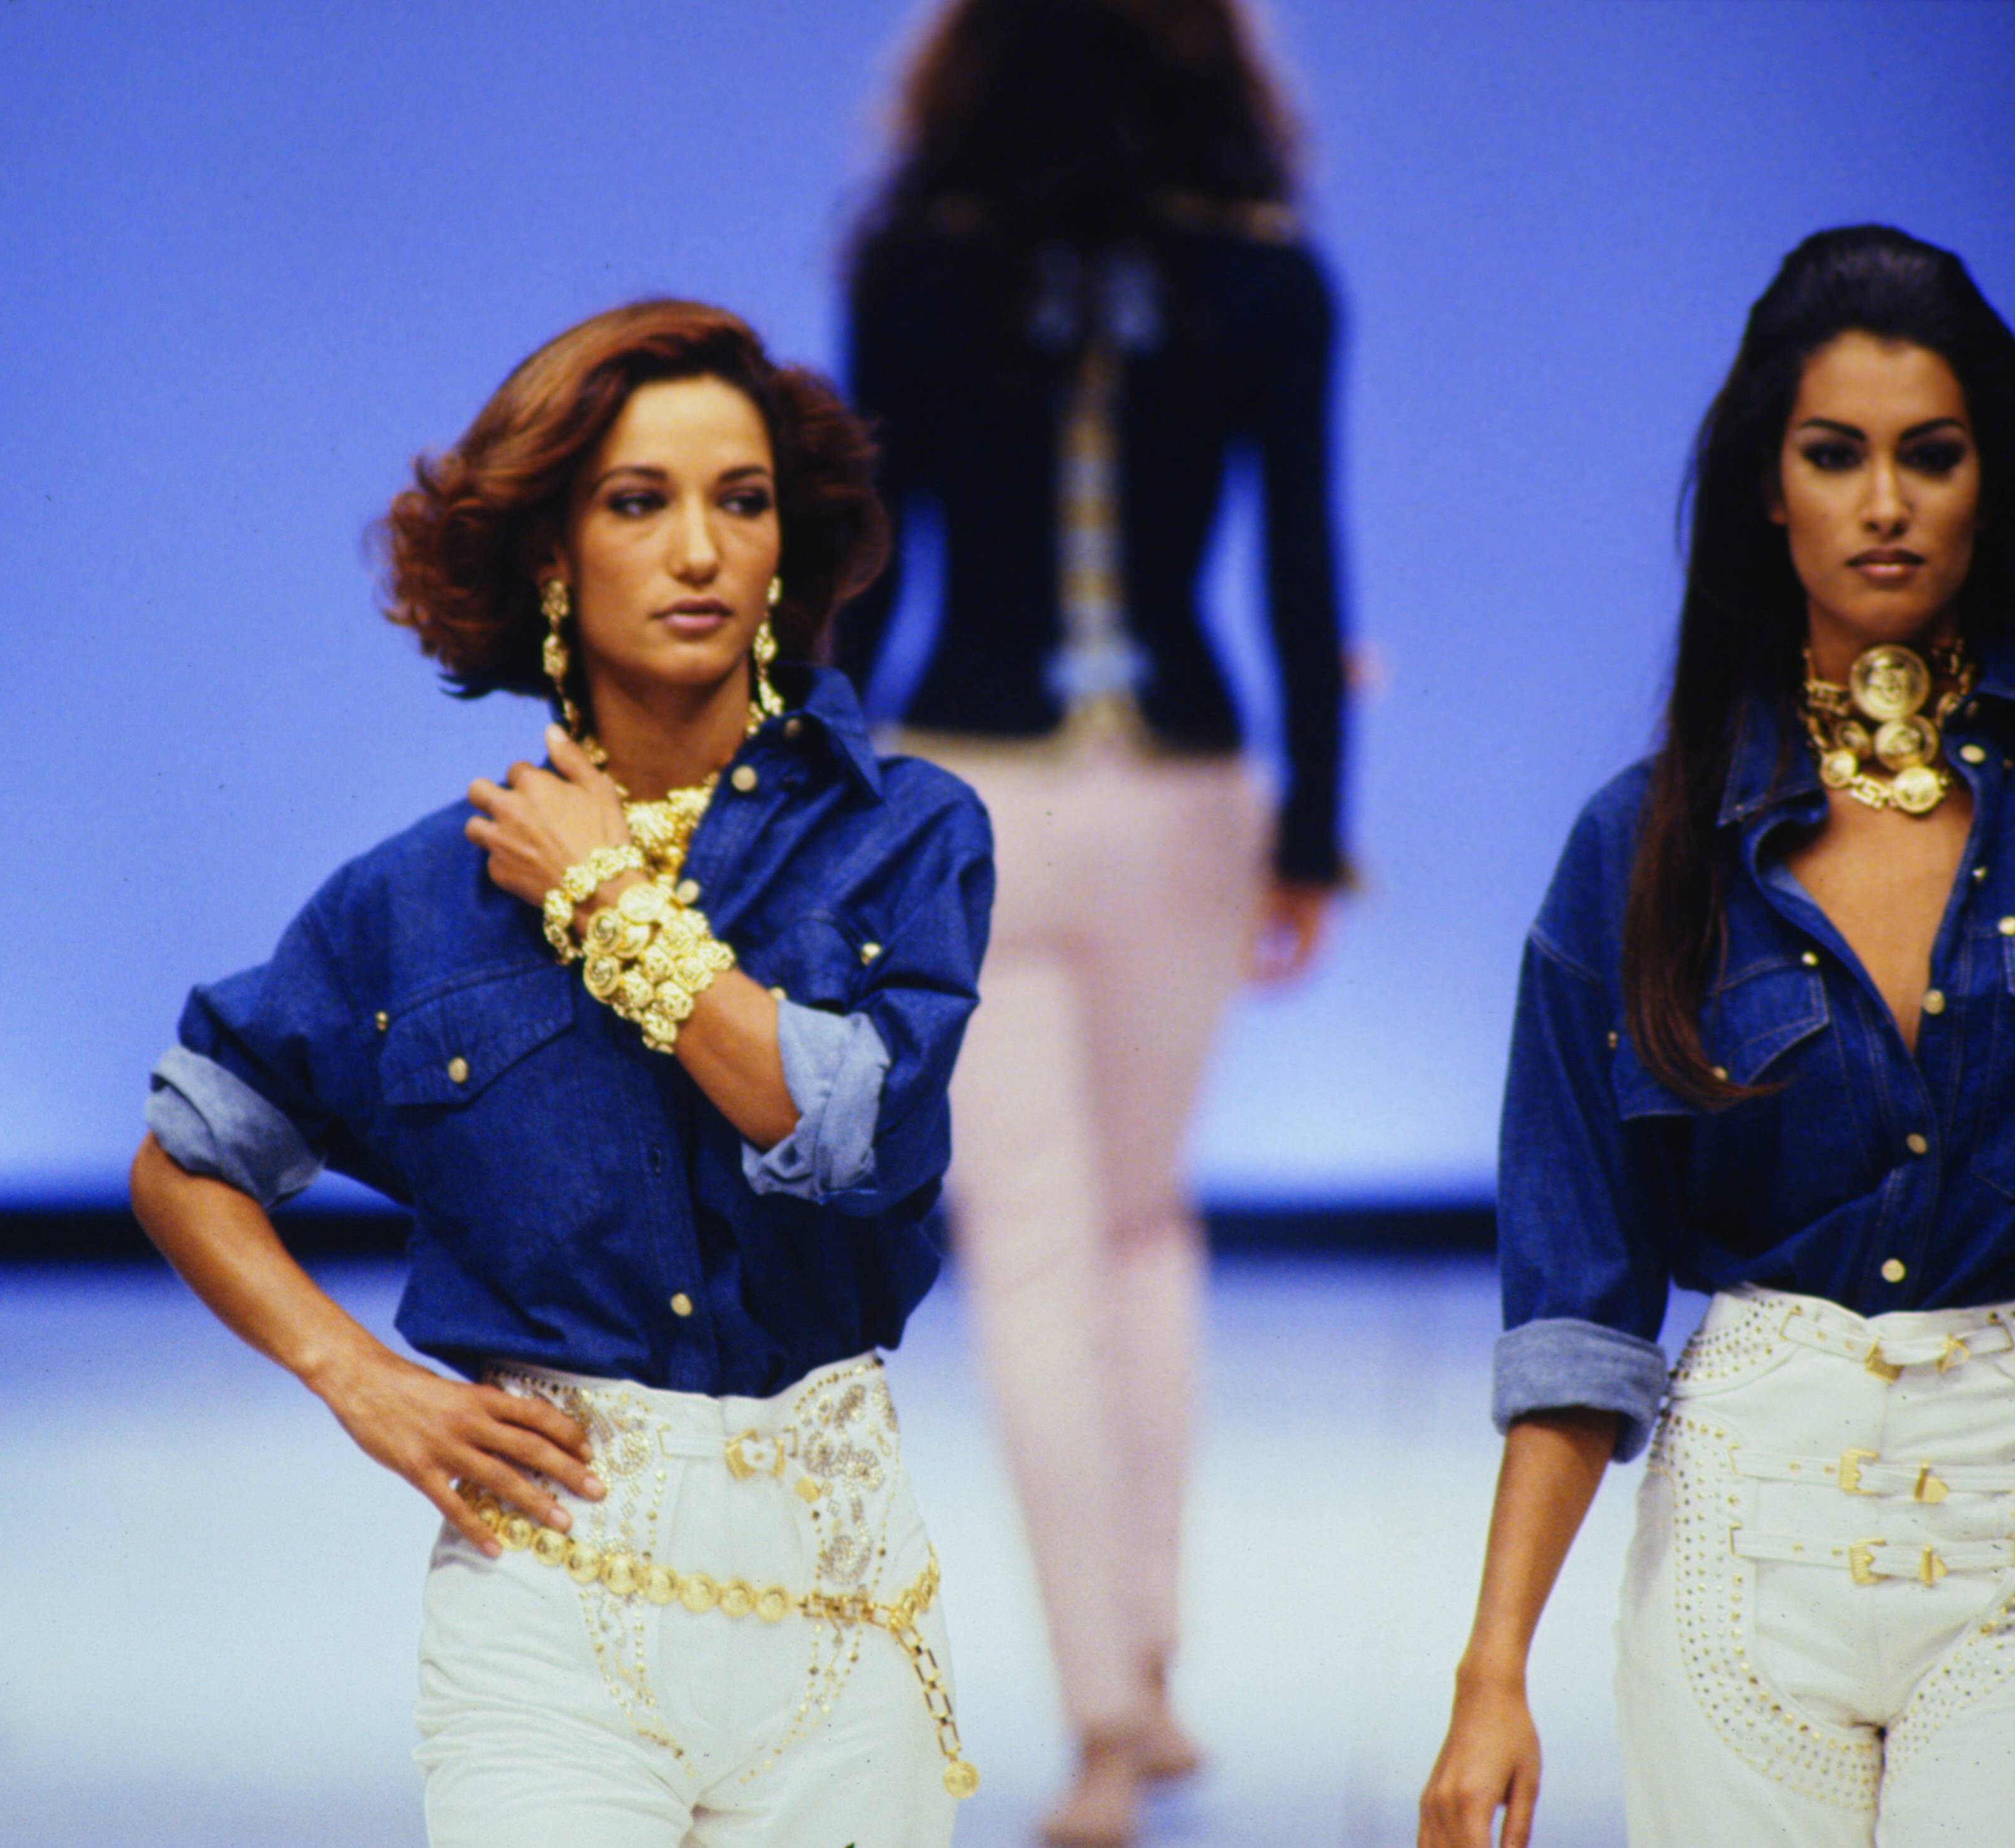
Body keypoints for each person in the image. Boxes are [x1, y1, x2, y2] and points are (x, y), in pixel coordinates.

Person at [129, 299, 995, 1847]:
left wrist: (607, 903)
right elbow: (188, 1157)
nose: (700, 551)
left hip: (839, 1592)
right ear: (550, 554)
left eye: (742, 501)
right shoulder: (417, 898)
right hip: (548, 1599)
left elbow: (839, 1130)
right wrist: (359, 1380)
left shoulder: (903, 835)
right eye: (637, 503)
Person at [1421, 225, 2015, 1848]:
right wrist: (1492, 1670)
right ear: (1769, 484)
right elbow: (1577, 1297)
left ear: (1990, 479)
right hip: (1745, 1549)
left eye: (1931, 454)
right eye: (1835, 455)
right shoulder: (1643, 850)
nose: (1884, 503)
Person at [840, 2, 1351, 1839]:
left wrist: (814, 808)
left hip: (964, 786)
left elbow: (865, 570)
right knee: (1140, 1226)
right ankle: (1147, 1666)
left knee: (1038, 1250)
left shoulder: (913, 262)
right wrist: (1319, 833)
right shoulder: (1265, 278)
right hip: (1180, 792)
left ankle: (1104, 1718)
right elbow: (1301, 571)